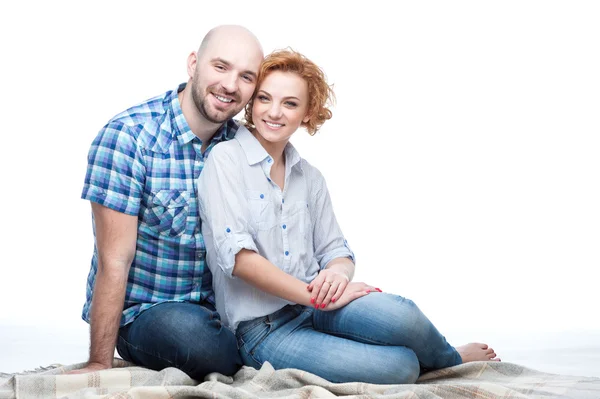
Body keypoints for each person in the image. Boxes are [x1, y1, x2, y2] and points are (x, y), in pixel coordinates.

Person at [197, 49, 500, 384]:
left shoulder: (308, 176)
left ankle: (448, 358)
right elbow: (239, 260)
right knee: (400, 368)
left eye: (290, 103)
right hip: (262, 330)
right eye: (264, 98)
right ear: (252, 103)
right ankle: (426, 360)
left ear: (308, 113)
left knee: (404, 314)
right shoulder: (225, 160)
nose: (273, 112)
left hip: (317, 306)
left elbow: (336, 251)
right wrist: (314, 295)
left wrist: (338, 276)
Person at [72, 25, 264, 379]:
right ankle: (256, 349)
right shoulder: (129, 138)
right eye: (220, 67)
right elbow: (114, 259)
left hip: (221, 309)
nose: (231, 86)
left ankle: (259, 345)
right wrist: (99, 362)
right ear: (193, 64)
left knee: (228, 333)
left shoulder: (244, 145)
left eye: (246, 77)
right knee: (195, 340)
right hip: (148, 313)